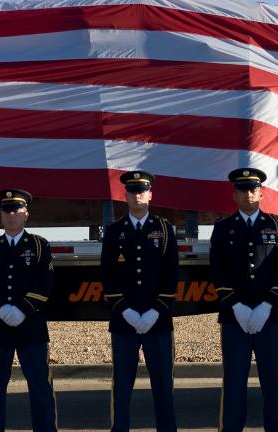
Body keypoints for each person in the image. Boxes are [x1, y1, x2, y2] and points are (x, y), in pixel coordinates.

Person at [210, 168, 278, 432]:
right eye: (242, 189)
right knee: (234, 382)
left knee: (274, 382)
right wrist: (237, 306)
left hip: (269, 317)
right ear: (234, 195)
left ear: (261, 193)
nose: (248, 194)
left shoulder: (277, 226)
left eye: (253, 189)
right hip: (235, 317)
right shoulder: (223, 228)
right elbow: (218, 270)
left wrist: (267, 305)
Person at [100, 171, 179, 432]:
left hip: (158, 321)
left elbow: (171, 274)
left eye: (142, 191)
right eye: (132, 191)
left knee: (163, 385)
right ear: (125, 195)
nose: (137, 196)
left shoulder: (164, 229)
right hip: (124, 322)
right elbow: (108, 275)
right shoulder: (114, 231)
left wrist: (155, 311)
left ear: (150, 194)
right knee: (122, 384)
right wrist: (126, 311)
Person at [0, 189, 58, 432]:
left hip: (31, 326)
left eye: (16, 210)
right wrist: (1, 309)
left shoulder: (39, 245)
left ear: (26, 214)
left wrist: (22, 309)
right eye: (6, 210)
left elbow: (45, 282)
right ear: (1, 215)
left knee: (40, 385)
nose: (11, 215)